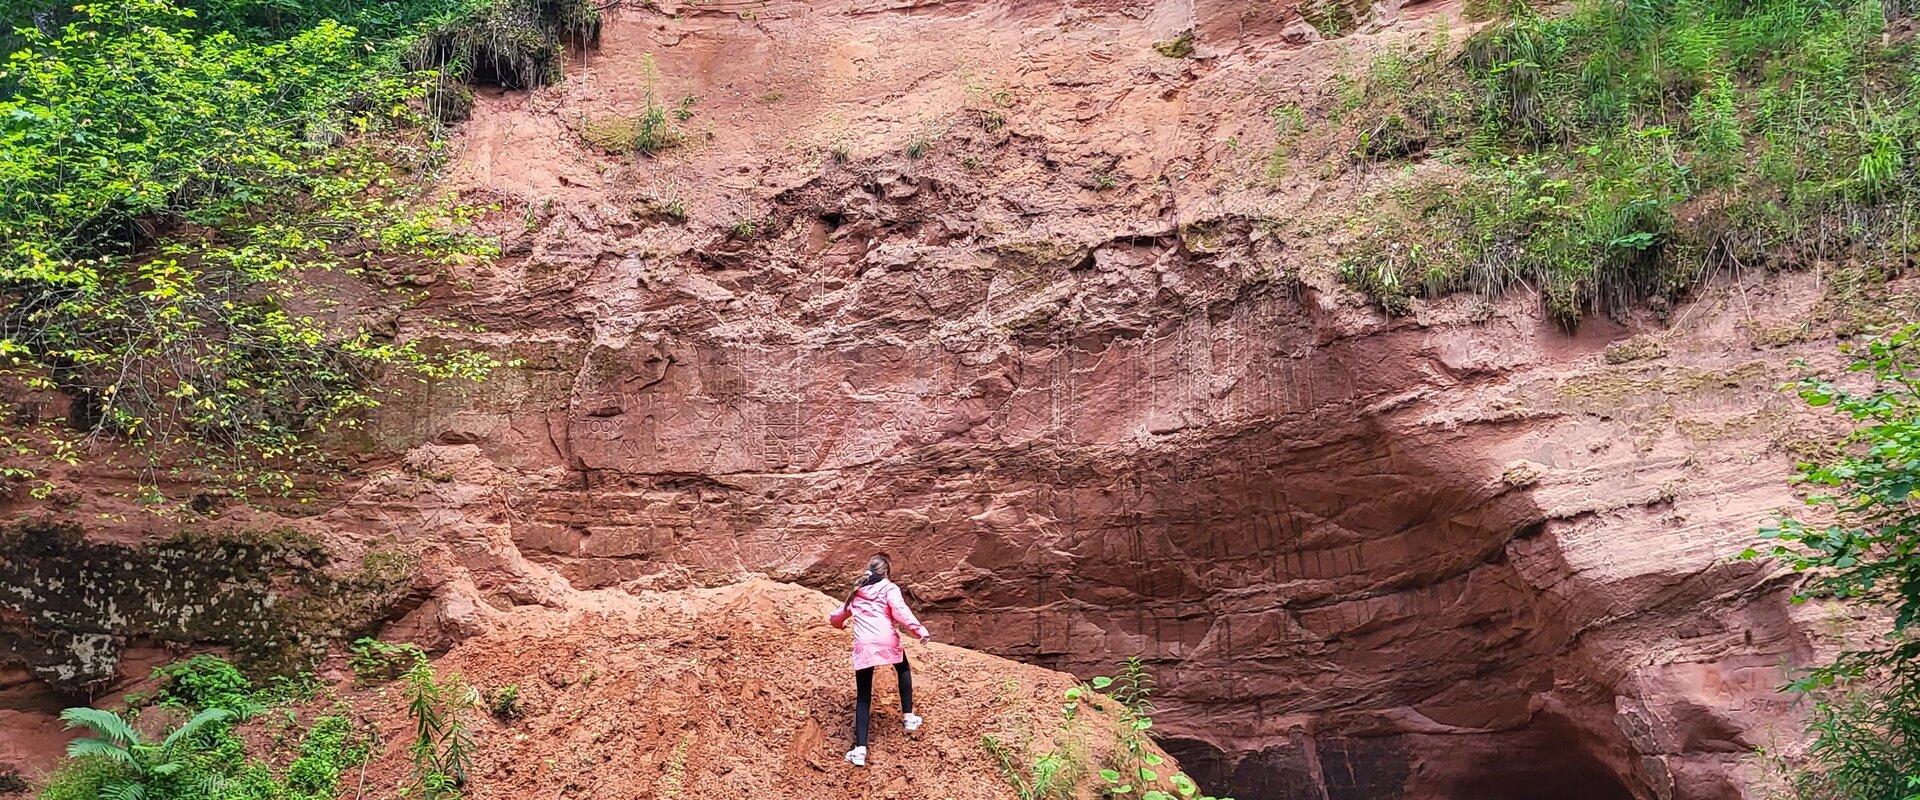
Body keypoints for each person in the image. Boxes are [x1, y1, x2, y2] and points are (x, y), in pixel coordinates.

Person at [827, 553, 930, 767]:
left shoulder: (857, 591)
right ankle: (909, 717)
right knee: (903, 668)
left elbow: (839, 615)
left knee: (863, 695)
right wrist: (918, 630)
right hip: (886, 641)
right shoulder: (889, 588)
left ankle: (860, 750)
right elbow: (901, 611)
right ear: (886, 572)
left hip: (864, 645)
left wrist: (838, 624)